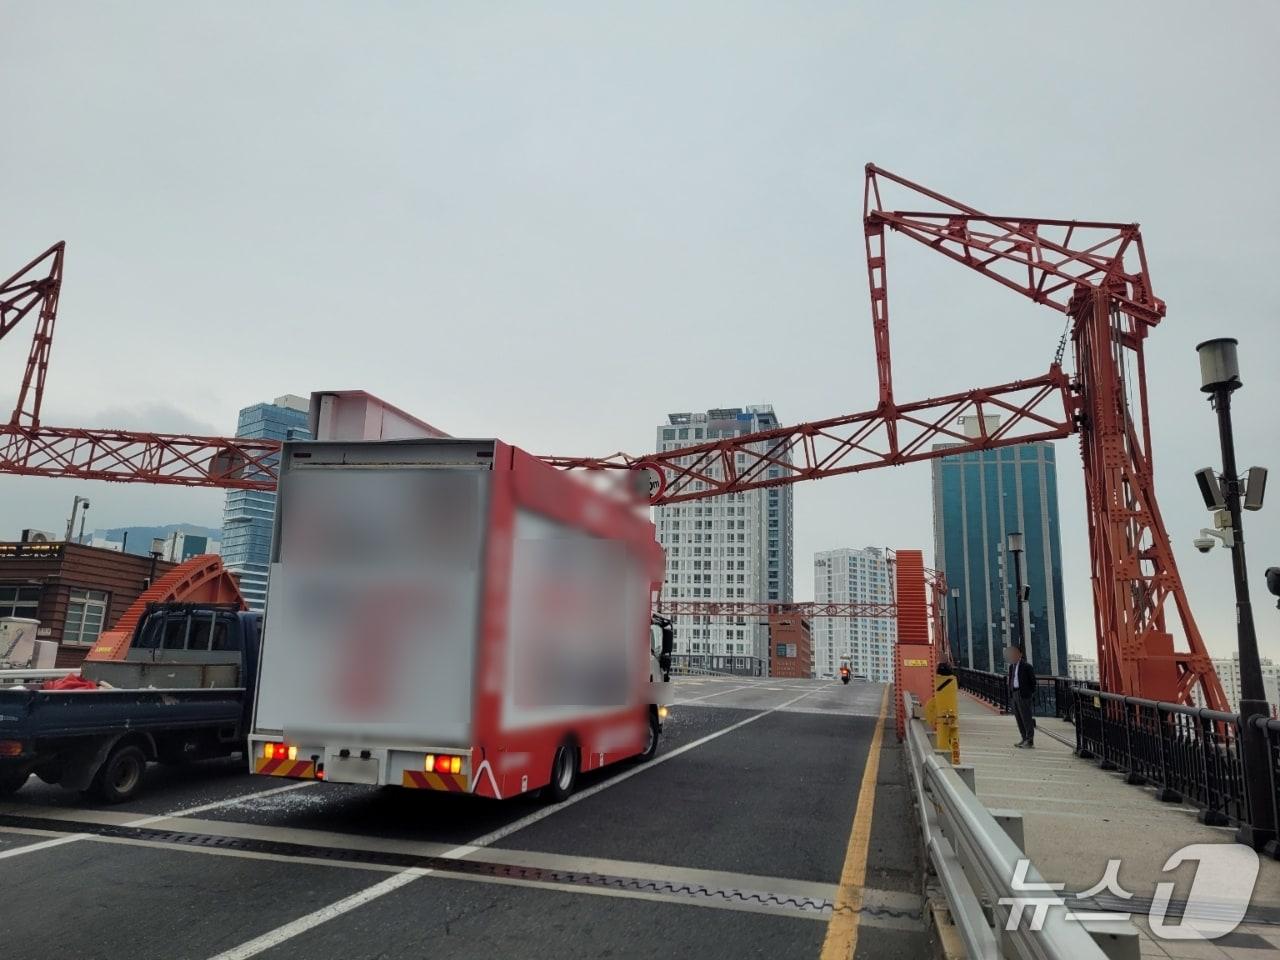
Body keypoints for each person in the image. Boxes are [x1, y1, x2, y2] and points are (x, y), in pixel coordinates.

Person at [1006, 644, 1036, 748]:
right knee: (1018, 718)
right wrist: (1011, 693)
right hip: (1014, 694)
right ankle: (1024, 738)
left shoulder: (1027, 666)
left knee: (1026, 717)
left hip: (1023, 695)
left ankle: (1030, 740)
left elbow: (1033, 682)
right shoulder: (1011, 667)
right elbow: (1011, 679)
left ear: (1020, 654)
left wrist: (1028, 693)